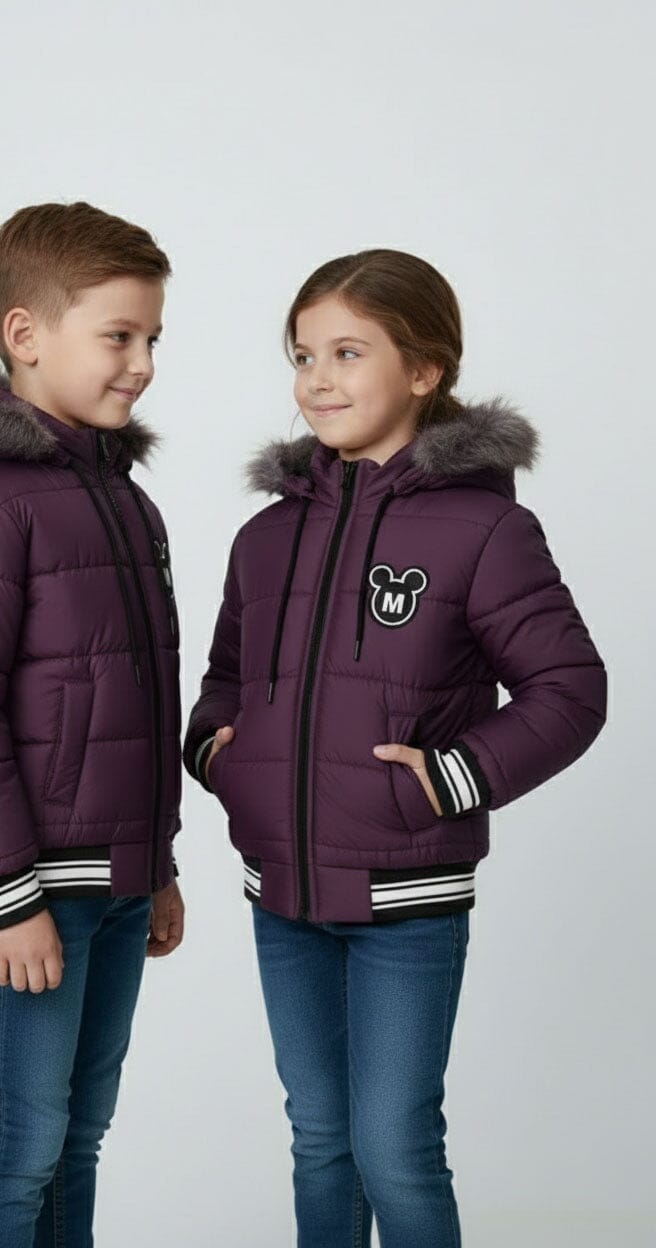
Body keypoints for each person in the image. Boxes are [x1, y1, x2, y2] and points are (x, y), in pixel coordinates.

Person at [183, 248, 607, 1248]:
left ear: (423, 369)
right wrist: (219, 759)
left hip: (405, 901)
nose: (316, 380)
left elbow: (570, 690)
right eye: (302, 356)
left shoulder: (484, 530)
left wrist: (447, 781)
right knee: (320, 1140)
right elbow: (222, 684)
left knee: (395, 1146)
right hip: (282, 897)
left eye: (346, 352)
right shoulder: (264, 539)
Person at [0, 200, 184, 1248]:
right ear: (25, 334)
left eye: (153, 338)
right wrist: (5, 895)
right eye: (119, 336)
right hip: (34, 890)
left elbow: (129, 701)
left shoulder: (119, 497)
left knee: (78, 1137)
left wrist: (155, 862)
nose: (143, 364)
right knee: (21, 1142)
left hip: (115, 879)